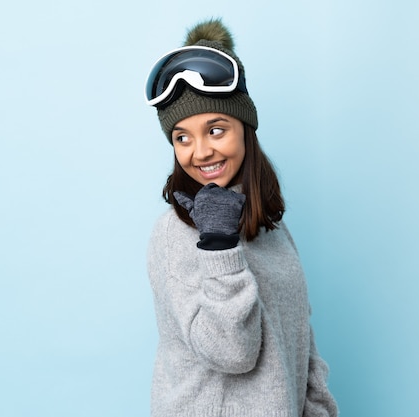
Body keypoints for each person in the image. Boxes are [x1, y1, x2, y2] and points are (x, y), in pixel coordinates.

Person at [144, 18, 338, 417]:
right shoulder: (175, 234)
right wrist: (218, 245)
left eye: (216, 130)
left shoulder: (272, 228)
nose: (200, 152)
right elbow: (232, 353)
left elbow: (301, 343)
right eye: (183, 137)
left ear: (244, 129)